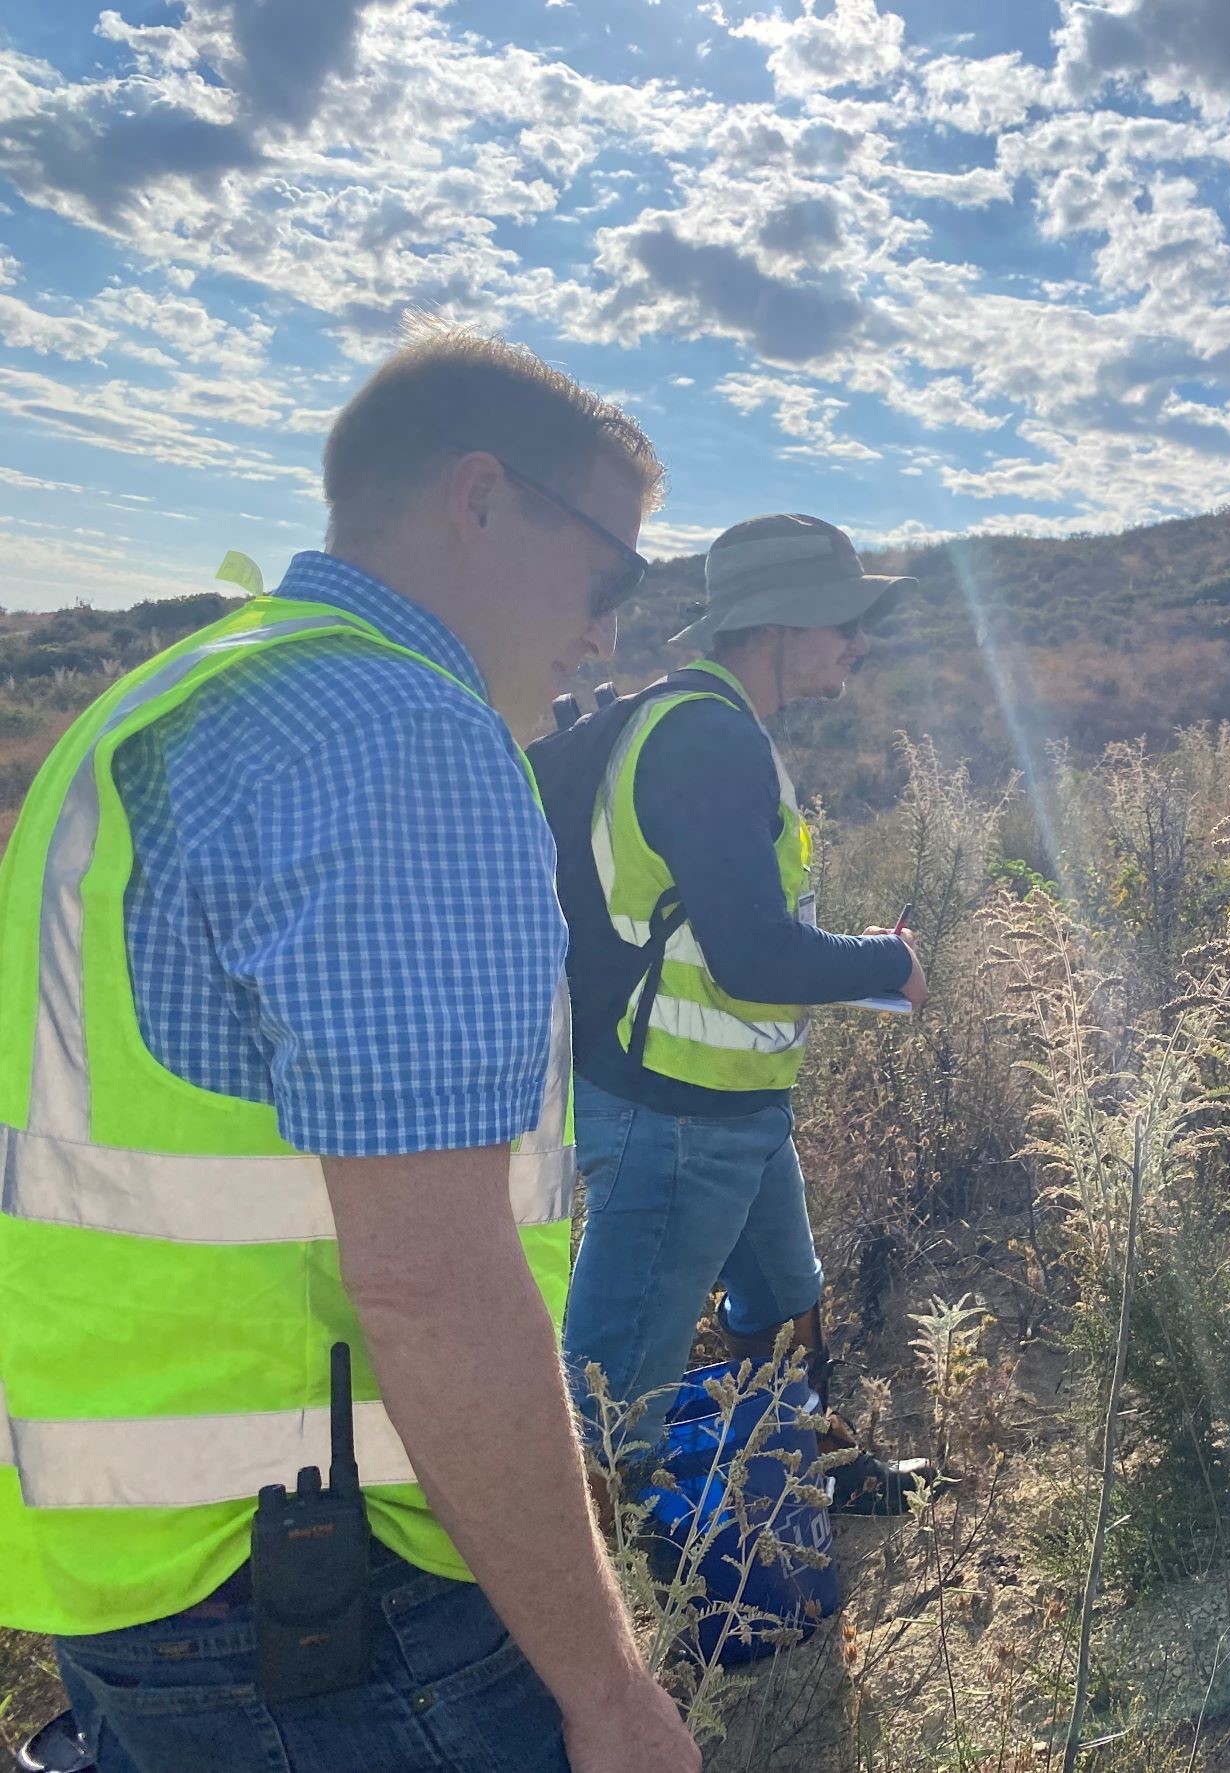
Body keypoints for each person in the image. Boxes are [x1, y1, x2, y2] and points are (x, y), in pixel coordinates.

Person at [0, 324, 700, 1773]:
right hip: (331, 1599)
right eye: (609, 577)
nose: (606, 638)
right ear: (483, 499)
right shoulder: (397, 729)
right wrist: (614, 1693)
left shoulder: (177, 698)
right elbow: (430, 1276)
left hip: (153, 1578)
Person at [530, 513, 929, 1508]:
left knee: (785, 1297)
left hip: (729, 1105)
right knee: (614, 1385)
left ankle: (802, 1473)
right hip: (671, 1110)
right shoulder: (706, 740)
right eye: (843, 618)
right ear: (777, 622)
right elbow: (753, 958)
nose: (857, 641)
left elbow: (727, 936)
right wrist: (892, 961)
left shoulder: (709, 726)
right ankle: (620, 1587)